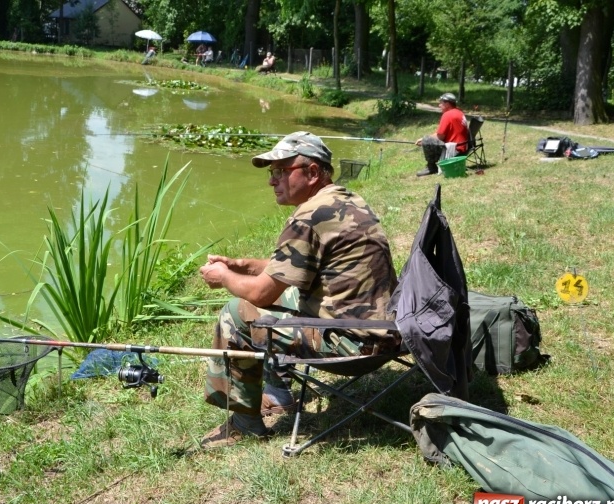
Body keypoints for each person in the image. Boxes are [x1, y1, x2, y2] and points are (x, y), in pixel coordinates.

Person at [198, 132, 399, 448]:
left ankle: (243, 424)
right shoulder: (344, 200)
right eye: (271, 172)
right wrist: (238, 264)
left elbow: (261, 293)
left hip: (354, 346)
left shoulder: (308, 215)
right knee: (282, 297)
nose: (272, 181)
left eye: (281, 170)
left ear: (313, 172)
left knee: (236, 314)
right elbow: (290, 267)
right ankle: (278, 394)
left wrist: (223, 276)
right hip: (386, 331)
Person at [415, 92, 469, 176]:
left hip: (454, 150)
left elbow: (440, 136)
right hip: (464, 148)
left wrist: (424, 140)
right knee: (426, 139)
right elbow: (442, 133)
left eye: (441, 103)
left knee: (427, 139)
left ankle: (431, 167)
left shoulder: (447, 115)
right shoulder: (459, 112)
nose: (439, 105)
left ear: (447, 104)